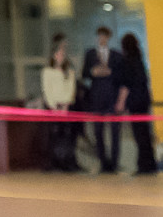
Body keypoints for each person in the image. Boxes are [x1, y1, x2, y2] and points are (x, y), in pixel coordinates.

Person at [82, 26, 124, 173]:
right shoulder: (90, 54)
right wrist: (93, 72)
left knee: (114, 130)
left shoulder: (116, 55)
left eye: (104, 36)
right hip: (97, 96)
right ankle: (102, 162)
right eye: (100, 36)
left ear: (108, 38)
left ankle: (114, 163)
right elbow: (84, 73)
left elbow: (120, 75)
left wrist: (109, 72)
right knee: (98, 130)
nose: (102, 39)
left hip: (111, 96)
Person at [116, 32, 156, 174]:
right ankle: (149, 164)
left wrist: (120, 102)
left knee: (139, 135)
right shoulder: (139, 59)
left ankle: (143, 165)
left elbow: (126, 85)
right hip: (144, 101)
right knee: (145, 133)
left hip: (135, 102)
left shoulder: (127, 61)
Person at [41, 33, 80, 172]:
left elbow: (71, 89)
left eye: (62, 54)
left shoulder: (69, 71)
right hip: (53, 108)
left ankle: (67, 162)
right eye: (58, 53)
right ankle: (54, 162)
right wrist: (53, 106)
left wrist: (66, 105)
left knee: (68, 136)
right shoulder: (47, 71)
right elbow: (47, 90)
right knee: (54, 136)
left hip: (66, 107)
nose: (60, 56)